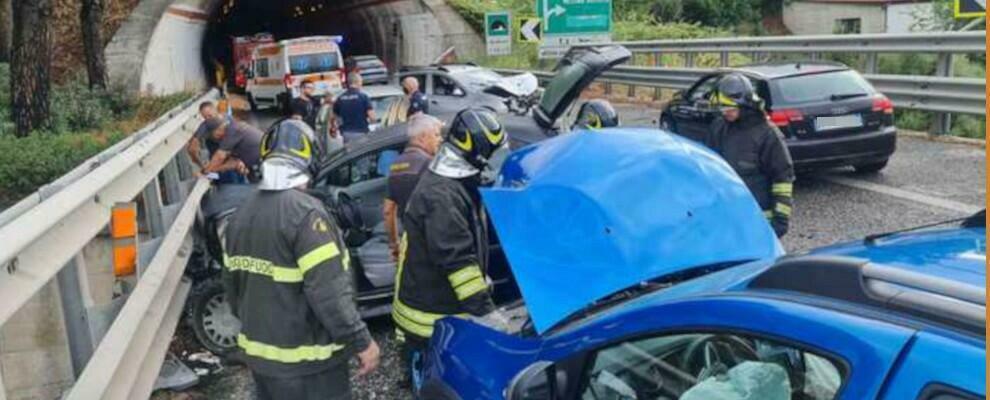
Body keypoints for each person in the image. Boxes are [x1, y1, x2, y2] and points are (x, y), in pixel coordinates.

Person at [224, 119, 380, 400]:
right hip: (311, 369)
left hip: (263, 362)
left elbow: (234, 293)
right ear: (309, 161)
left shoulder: (240, 214)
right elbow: (329, 293)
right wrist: (361, 341)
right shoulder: (307, 215)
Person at [392, 108, 511, 392]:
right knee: (437, 387)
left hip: (430, 305)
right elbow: (458, 264)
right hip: (430, 320)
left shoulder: (452, 182)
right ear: (477, 154)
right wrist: (489, 317)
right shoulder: (442, 196)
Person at [704, 73, 795, 237]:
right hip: (727, 217)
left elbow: (782, 178)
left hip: (758, 220)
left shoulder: (767, 134)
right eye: (721, 108)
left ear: (744, 104)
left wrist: (780, 218)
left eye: (728, 108)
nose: (725, 113)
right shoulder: (718, 127)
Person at [383, 114, 443, 261]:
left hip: (410, 244)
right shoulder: (432, 166)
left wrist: (394, 244)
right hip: (435, 244)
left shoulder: (395, 167)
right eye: (436, 135)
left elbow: (388, 211)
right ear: (422, 137)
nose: (440, 139)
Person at [188, 102, 244, 183]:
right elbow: (191, 148)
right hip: (220, 164)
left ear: (215, 111)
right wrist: (200, 164)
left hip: (233, 159)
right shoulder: (205, 127)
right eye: (205, 117)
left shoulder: (229, 119)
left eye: (210, 115)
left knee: (239, 180)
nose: (208, 119)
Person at [201, 116, 264, 181]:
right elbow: (231, 163)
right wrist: (214, 169)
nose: (213, 138)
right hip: (257, 162)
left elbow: (219, 156)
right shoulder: (232, 136)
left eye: (212, 134)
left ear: (219, 129)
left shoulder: (232, 131)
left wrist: (207, 171)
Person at [333, 73, 375, 143]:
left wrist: (341, 127)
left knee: (351, 153)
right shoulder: (363, 97)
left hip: (346, 133)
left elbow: (335, 117)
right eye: (361, 82)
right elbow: (372, 117)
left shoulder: (340, 98)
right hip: (361, 132)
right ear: (357, 82)